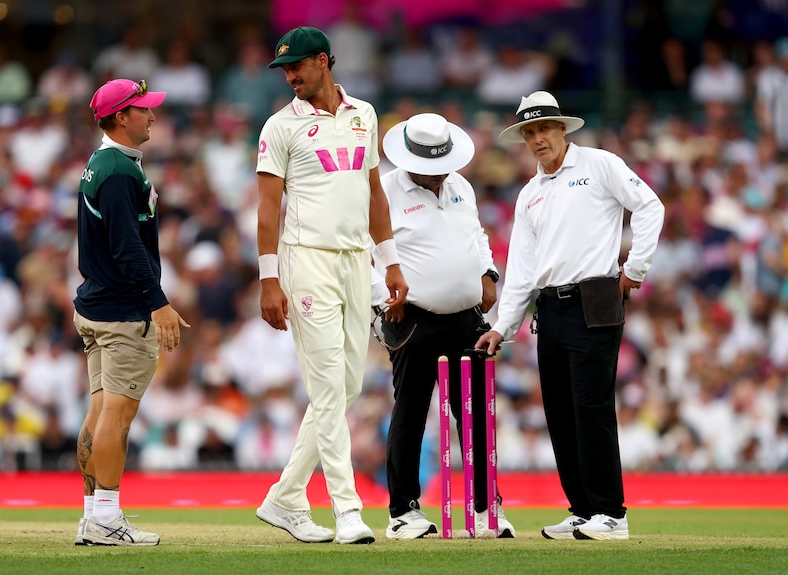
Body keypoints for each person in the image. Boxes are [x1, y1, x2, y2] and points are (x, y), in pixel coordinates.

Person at [475, 91, 665, 541]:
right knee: (560, 412)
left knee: (590, 405)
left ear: (563, 129)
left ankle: (610, 514)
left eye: (544, 129)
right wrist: (503, 325)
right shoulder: (530, 194)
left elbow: (650, 206)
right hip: (550, 308)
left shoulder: (600, 164)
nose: (538, 139)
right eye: (530, 133)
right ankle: (582, 509)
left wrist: (634, 269)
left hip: (597, 298)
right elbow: (522, 269)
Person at [254, 26, 408, 545]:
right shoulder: (280, 127)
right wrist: (268, 279)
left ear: (324, 61)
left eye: (298, 66)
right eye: (284, 70)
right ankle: (347, 509)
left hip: (354, 263)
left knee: (345, 389)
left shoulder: (363, 114)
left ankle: (284, 497)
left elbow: (374, 194)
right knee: (326, 389)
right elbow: (267, 210)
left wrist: (389, 263)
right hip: (306, 263)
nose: (290, 76)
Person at [371, 112, 517, 540]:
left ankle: (487, 508)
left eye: (442, 168)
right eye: (429, 171)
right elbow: (363, 250)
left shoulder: (459, 185)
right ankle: (404, 512)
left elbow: (476, 235)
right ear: (408, 158)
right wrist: (383, 299)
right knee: (411, 412)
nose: (438, 177)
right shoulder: (382, 189)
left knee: (475, 415)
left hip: (466, 318)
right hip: (411, 315)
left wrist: (489, 272)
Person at [73, 79, 190, 546]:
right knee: (116, 417)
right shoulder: (119, 170)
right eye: (143, 109)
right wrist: (157, 302)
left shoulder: (101, 164)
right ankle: (105, 517)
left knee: (99, 412)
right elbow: (126, 248)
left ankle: (91, 515)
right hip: (123, 311)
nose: (152, 116)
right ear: (121, 117)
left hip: (97, 304)